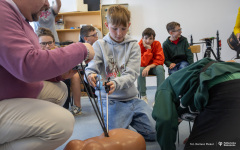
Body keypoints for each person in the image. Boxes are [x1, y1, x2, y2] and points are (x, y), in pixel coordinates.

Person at [0, 0, 94, 149]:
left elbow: (18, 66)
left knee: (60, 89)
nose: (47, 4)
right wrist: (81, 49)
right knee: (63, 123)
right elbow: (28, 65)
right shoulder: (2, 13)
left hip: (8, 91)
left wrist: (59, 75)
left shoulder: (17, 16)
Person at [85, 5, 156, 141]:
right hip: (110, 100)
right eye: (114, 28)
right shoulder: (99, 45)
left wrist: (115, 84)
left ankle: (126, 121)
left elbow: (132, 74)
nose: (119, 33)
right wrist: (90, 75)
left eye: (123, 29)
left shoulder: (133, 45)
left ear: (129, 25)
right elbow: (91, 68)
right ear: (107, 25)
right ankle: (122, 123)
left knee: (156, 133)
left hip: (132, 99)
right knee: (115, 139)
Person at [152, 57, 240, 150]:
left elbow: (165, 120)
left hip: (222, 87)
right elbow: (201, 112)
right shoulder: (181, 84)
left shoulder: (163, 90)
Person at [36, 27, 84, 115]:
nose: (47, 46)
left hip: (58, 78)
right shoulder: (36, 56)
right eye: (43, 43)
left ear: (54, 42)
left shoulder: (58, 52)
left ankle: (77, 107)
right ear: (37, 44)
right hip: (45, 82)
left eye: (50, 43)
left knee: (75, 76)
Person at [137, 28, 165, 103]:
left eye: (150, 39)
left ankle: (159, 96)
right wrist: (148, 50)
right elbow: (142, 63)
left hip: (153, 67)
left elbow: (160, 60)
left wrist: (149, 67)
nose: (148, 41)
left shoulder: (157, 44)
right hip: (143, 68)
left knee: (160, 68)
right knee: (140, 69)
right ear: (142, 38)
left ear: (154, 39)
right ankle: (143, 96)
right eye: (146, 38)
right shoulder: (139, 46)